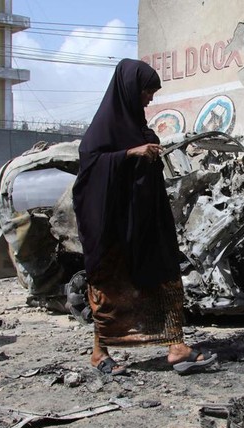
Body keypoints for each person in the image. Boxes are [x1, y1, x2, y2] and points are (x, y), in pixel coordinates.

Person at [72, 58, 216, 375]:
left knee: (164, 278)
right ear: (129, 89)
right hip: (115, 227)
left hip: (146, 223)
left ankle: (176, 348)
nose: (150, 99)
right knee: (112, 288)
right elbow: (91, 167)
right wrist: (130, 154)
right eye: (146, 92)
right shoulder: (103, 129)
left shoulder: (137, 124)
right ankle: (99, 353)